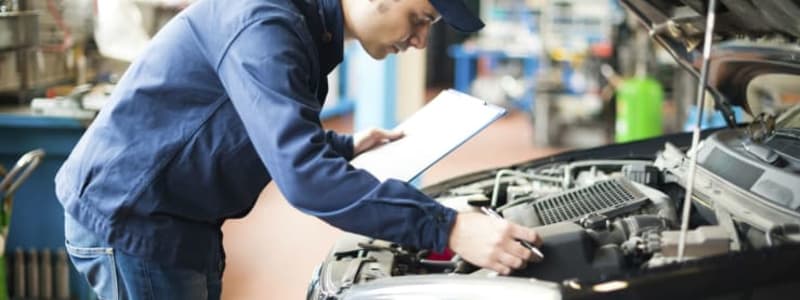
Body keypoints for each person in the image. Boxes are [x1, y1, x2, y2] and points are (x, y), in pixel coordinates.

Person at [56, 0, 542, 298]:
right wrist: (449, 228)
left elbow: (248, 121)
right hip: (134, 216)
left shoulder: (308, 24)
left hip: (182, 215)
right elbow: (305, 179)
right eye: (419, 19)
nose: (418, 40)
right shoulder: (265, 22)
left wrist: (343, 145)